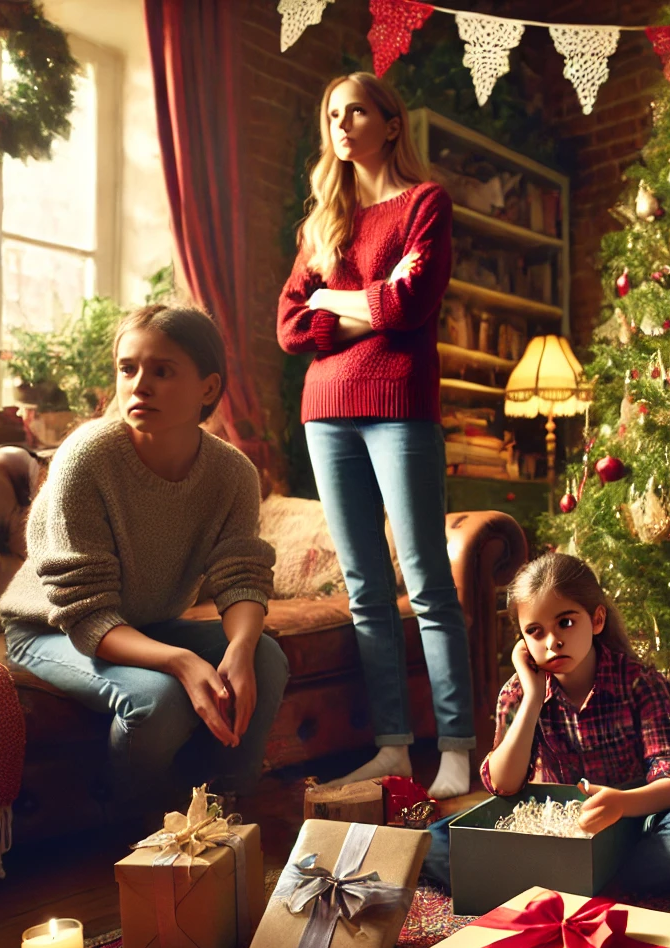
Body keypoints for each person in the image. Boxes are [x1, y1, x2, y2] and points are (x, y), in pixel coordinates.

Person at [0, 305, 288, 820]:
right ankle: (143, 838)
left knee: (265, 657)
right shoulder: (87, 456)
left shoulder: (232, 474)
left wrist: (240, 649)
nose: (139, 385)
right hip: (51, 630)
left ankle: (227, 814)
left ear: (207, 387)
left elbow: (240, 574)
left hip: (144, 623)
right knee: (159, 699)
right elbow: (87, 615)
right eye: (127, 368)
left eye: (162, 370)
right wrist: (181, 660)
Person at [277, 71, 476, 797]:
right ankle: (392, 748)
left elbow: (410, 304)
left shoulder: (426, 204)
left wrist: (334, 296)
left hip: (399, 404)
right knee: (365, 589)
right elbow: (290, 325)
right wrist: (355, 303)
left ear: (391, 123)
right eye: (332, 113)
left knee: (425, 582)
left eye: (356, 110)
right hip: (324, 411)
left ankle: (455, 746)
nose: (341, 123)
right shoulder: (321, 224)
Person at [423, 553, 670, 894]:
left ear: (596, 620)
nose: (552, 642)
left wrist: (623, 804)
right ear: (522, 641)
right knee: (431, 843)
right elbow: (504, 785)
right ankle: (585, 878)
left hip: (636, 819)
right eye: (535, 632)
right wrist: (534, 697)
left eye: (565, 623)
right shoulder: (520, 692)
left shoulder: (639, 681)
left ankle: (564, 880)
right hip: (560, 828)